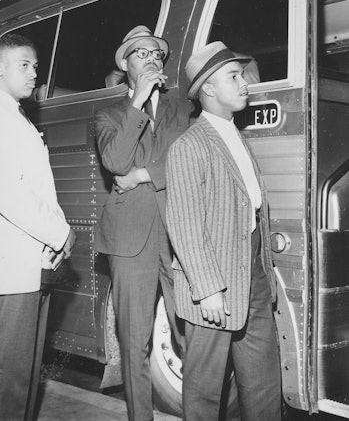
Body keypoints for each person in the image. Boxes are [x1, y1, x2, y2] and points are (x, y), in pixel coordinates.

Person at [166, 41, 282, 421]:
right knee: (204, 389)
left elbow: (252, 209)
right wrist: (207, 288)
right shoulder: (189, 145)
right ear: (209, 90)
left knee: (263, 381)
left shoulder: (236, 137)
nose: (245, 81)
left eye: (242, 74)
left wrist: (263, 272)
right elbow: (184, 224)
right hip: (213, 282)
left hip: (253, 275)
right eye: (233, 75)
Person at [93, 25, 193, 421]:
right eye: (141, 54)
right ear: (126, 65)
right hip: (130, 240)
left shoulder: (184, 109)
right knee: (134, 343)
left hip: (179, 235)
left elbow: (191, 162)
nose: (152, 58)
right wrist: (136, 102)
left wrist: (143, 174)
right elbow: (116, 163)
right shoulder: (109, 115)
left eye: (157, 54)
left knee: (192, 334)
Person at [0, 33, 76, 420]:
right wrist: (62, 232)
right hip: (11, 275)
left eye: (35, 65)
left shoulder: (16, 117)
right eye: (24, 65)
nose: (35, 73)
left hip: (28, 268)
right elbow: (10, 194)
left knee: (24, 378)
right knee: (12, 383)